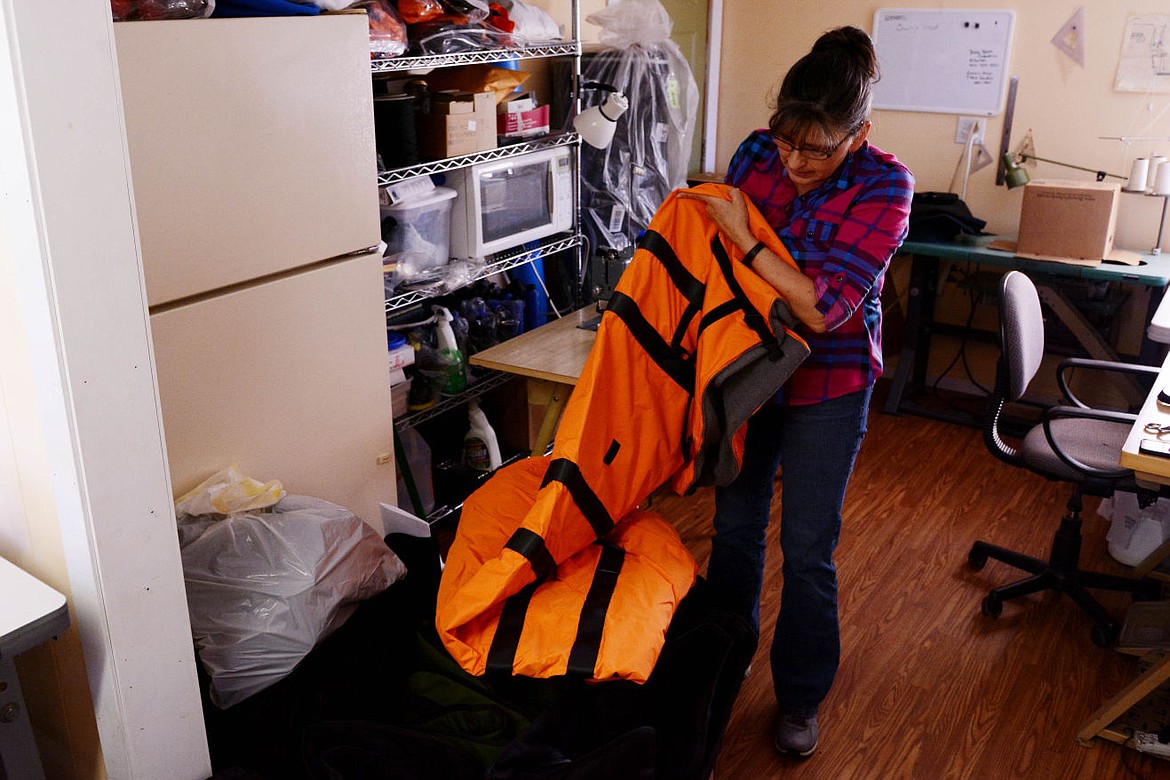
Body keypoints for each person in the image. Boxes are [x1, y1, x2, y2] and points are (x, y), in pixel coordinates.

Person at [678, 26, 914, 758]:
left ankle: (800, 695)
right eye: (788, 143)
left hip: (829, 379)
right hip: (748, 368)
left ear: (860, 134)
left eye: (818, 148)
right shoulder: (757, 152)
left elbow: (822, 307)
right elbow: (709, 250)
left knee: (809, 547)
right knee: (735, 528)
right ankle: (724, 661)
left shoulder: (886, 184)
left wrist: (749, 240)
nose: (796, 161)